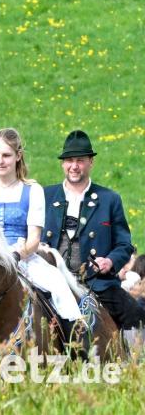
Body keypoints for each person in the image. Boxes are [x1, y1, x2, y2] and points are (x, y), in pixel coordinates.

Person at [0, 128, 83, 332]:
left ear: (18, 156)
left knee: (59, 287)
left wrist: (16, 255)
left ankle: (73, 344)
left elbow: (34, 239)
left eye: (6, 155)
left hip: (21, 256)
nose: (0, 161)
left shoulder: (32, 190)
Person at [42, 130, 145, 334]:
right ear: (63, 164)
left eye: (80, 160)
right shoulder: (45, 196)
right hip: (51, 282)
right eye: (69, 160)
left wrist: (110, 262)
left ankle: (133, 364)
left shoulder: (109, 199)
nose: (74, 166)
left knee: (137, 317)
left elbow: (124, 245)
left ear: (91, 162)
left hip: (97, 284)